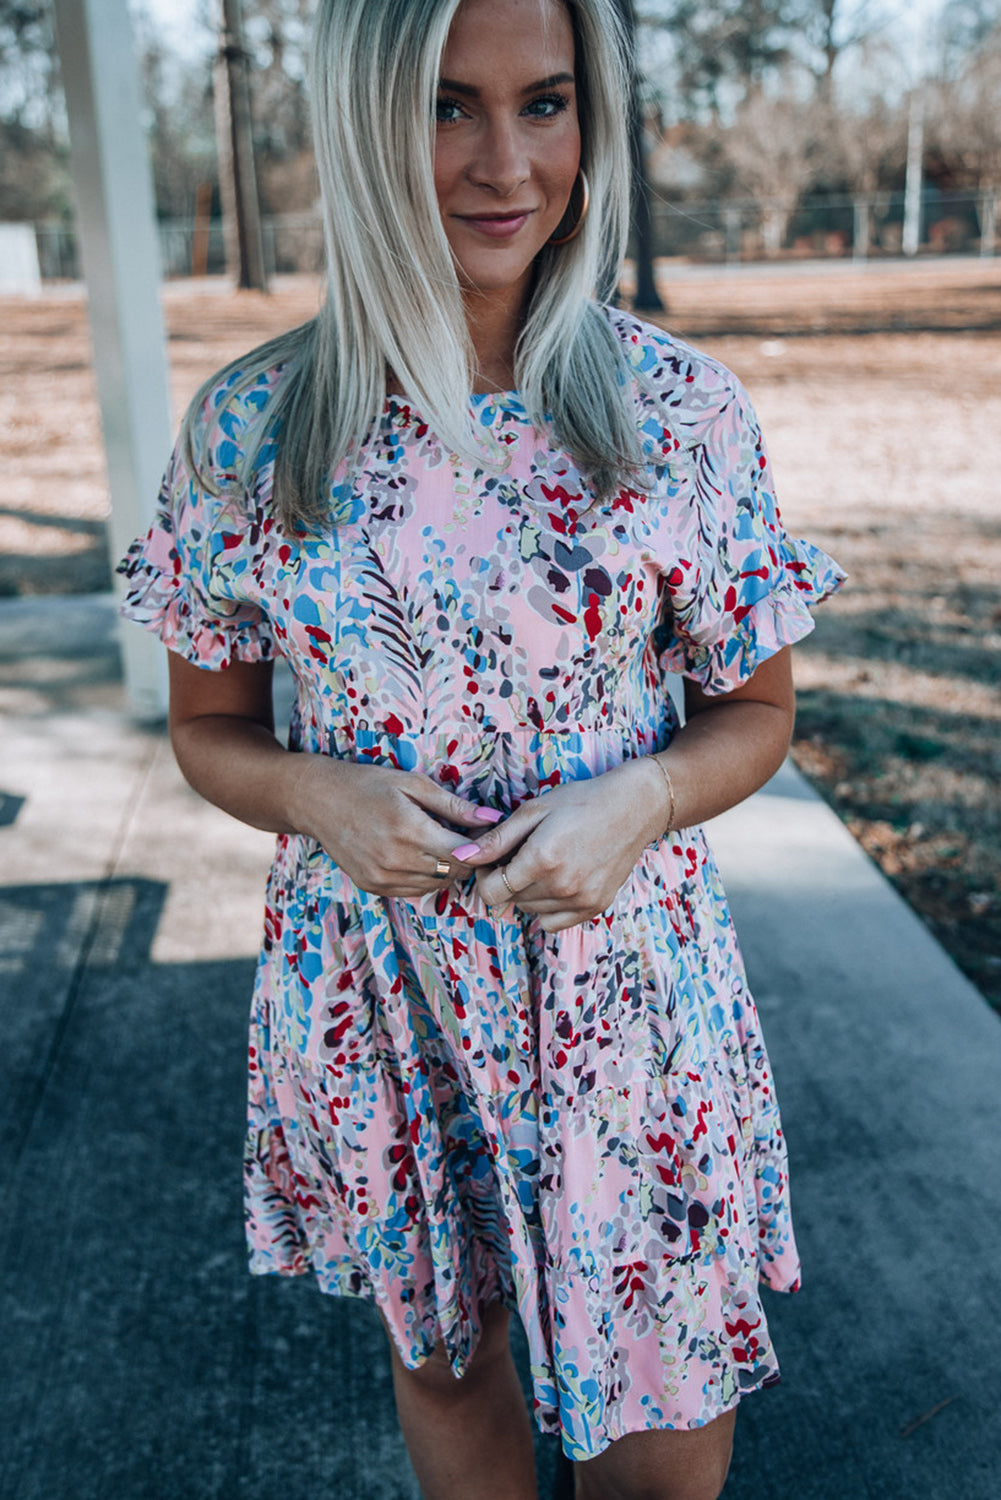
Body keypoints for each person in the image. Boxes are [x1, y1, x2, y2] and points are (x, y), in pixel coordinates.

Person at [119, 0, 844, 1495]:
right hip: (382, 999)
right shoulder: (255, 429)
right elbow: (209, 730)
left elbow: (755, 713)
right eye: (447, 106)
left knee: (656, 1408)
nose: (504, 162)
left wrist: (641, 799)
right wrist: (316, 793)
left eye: (546, 103)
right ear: (364, 121)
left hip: (623, 999)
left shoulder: (678, 413)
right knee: (448, 1365)